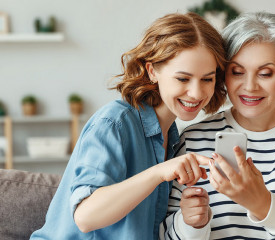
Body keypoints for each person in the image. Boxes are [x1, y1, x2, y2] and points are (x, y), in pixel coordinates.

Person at [30, 12, 227, 240]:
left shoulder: (173, 138)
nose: (196, 92)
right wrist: (158, 173)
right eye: (183, 79)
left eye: (207, 79)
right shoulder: (115, 123)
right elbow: (85, 217)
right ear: (153, 71)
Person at [161, 11, 275, 240]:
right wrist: (190, 224)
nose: (250, 86)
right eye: (237, 72)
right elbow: (165, 234)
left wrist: (262, 204)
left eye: (265, 73)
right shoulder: (193, 138)